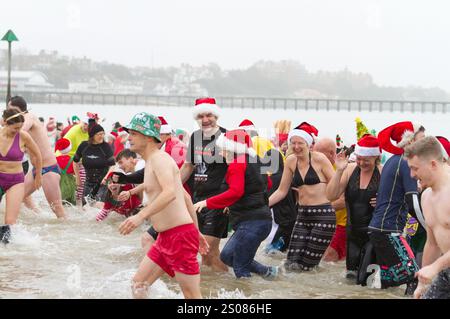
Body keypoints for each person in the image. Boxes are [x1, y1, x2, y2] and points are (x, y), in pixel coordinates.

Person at [118, 112, 208, 299]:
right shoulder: (152, 161)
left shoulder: (160, 159)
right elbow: (185, 197)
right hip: (165, 238)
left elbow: (170, 193)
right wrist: (197, 231)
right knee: (138, 285)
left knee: (192, 296)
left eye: (133, 133)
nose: (129, 138)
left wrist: (140, 216)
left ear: (148, 136)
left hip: (179, 237)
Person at [193, 129, 278, 279]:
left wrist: (206, 202)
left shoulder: (237, 164)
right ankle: (269, 273)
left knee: (240, 268)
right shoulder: (255, 159)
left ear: (232, 148)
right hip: (261, 221)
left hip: (252, 222)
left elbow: (235, 192)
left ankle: (245, 298)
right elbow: (267, 184)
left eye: (224, 150)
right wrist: (232, 203)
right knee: (227, 256)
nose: (222, 153)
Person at [268, 122, 336, 271]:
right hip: (302, 216)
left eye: (300, 143)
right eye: (293, 143)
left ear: (309, 144)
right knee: (290, 263)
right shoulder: (291, 161)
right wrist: (263, 206)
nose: (296, 146)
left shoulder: (320, 159)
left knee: (307, 266)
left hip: (323, 216)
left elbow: (336, 185)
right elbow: (281, 191)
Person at [368, 121, 426, 291]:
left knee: (385, 281)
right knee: (415, 276)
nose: (424, 144)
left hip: (378, 229)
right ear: (409, 142)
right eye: (421, 140)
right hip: (389, 231)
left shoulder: (393, 161)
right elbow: (412, 203)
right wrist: (429, 227)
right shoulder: (406, 162)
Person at [179, 97, 229, 272]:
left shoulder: (227, 137)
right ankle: (219, 286)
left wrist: (231, 200)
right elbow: (188, 165)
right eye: (201, 116)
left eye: (209, 115)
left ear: (216, 116)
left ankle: (231, 287)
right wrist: (172, 188)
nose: (205, 120)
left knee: (207, 253)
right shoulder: (195, 137)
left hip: (217, 201)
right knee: (206, 253)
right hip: (197, 200)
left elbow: (238, 170)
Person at [326, 135, 382, 283]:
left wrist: (384, 202)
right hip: (352, 235)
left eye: (366, 160)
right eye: (359, 158)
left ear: (376, 157)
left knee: (366, 281)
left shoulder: (383, 173)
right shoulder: (350, 170)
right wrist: (339, 171)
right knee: (351, 278)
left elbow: (398, 202)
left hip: (374, 236)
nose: (361, 163)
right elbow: (331, 195)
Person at [403, 136, 450, 299]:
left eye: (415, 168)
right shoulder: (426, 197)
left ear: (433, 164)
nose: (411, 174)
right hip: (446, 272)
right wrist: (422, 283)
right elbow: (432, 243)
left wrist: (435, 267)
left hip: (441, 267)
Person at [8, 96, 65, 219]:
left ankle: (69, 232)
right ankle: (38, 219)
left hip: (49, 169)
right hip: (36, 170)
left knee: (57, 208)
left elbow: (20, 131)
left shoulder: (29, 117)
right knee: (20, 197)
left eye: (10, 109)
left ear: (20, 109)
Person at [0, 109, 42, 243]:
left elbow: (37, 155)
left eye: (20, 128)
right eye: (14, 128)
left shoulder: (23, 136)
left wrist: (38, 176)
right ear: (5, 123)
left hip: (15, 181)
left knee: (10, 221)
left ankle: (7, 253)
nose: (17, 131)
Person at [314, 137, 348, 263]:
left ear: (332, 154)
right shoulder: (317, 169)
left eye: (319, 153)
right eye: (314, 153)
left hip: (341, 225)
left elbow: (343, 201)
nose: (315, 156)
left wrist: (317, 209)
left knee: (328, 260)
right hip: (324, 223)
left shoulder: (342, 170)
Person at [73, 122, 114, 207]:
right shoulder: (84, 146)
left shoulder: (106, 147)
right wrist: (78, 178)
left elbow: (113, 165)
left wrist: (106, 178)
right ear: (92, 135)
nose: (102, 136)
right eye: (99, 134)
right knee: (85, 207)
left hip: (103, 183)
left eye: (103, 134)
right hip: (88, 182)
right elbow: (75, 161)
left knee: (99, 206)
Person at [96, 149, 143, 221]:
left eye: (121, 162)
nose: (112, 185)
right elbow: (103, 213)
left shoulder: (139, 167)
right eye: (110, 183)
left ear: (131, 159)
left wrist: (130, 193)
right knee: (99, 204)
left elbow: (142, 198)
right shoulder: (109, 195)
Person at [54, 138, 76, 205]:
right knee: (71, 205)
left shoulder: (55, 160)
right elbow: (75, 173)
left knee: (59, 204)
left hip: (58, 184)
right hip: (70, 185)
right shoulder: (72, 160)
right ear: (69, 148)